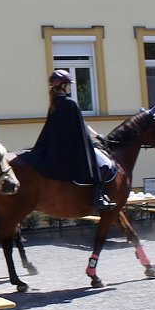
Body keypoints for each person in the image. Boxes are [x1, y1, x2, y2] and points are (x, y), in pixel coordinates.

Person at [18, 70, 115, 211]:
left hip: (55, 149)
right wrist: (97, 138)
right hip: (73, 148)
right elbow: (82, 128)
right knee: (105, 164)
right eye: (68, 84)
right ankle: (97, 197)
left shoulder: (54, 104)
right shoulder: (70, 104)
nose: (70, 87)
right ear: (63, 85)